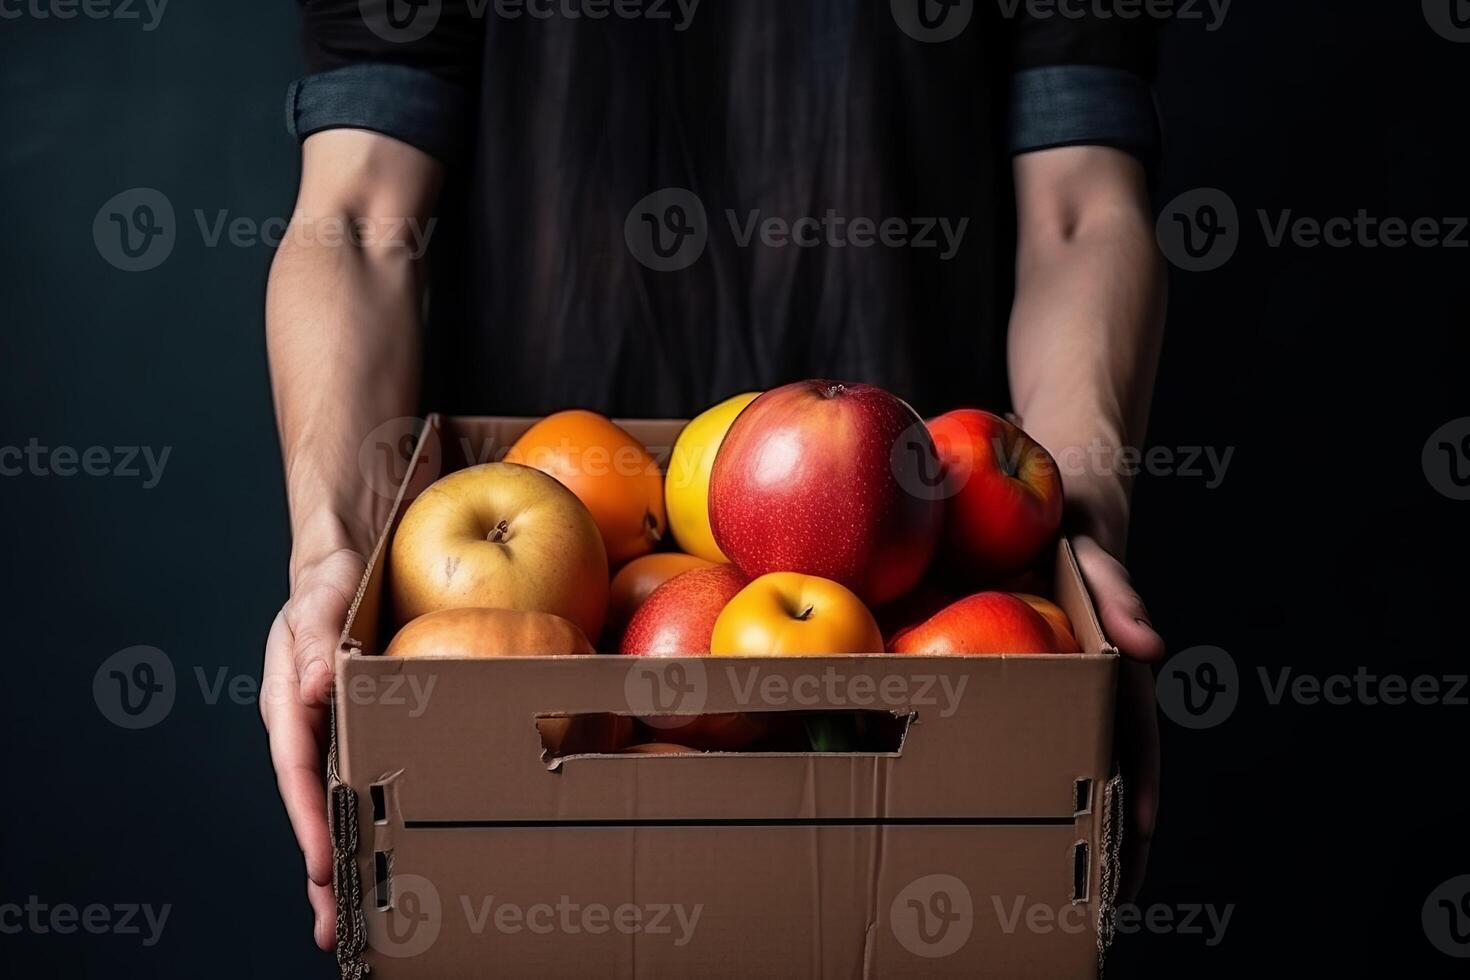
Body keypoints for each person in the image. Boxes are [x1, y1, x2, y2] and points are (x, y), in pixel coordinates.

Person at [262, 0, 1166, 950]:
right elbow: (358, 217)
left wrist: (1080, 530)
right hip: (529, 640)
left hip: (936, 559)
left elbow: (1081, 210)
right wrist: (329, 551)